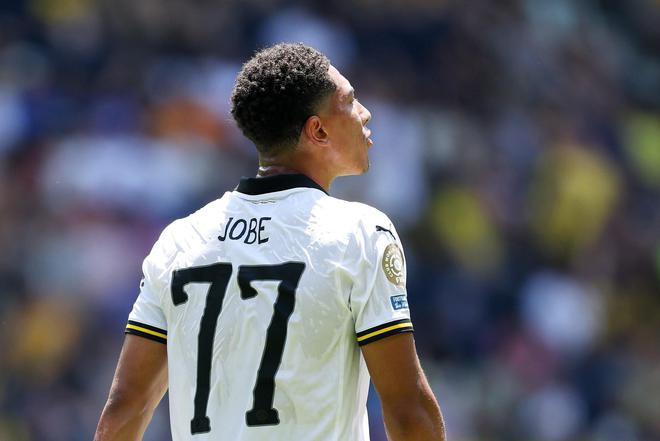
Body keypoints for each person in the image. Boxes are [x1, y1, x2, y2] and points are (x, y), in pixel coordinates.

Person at [94, 43, 445, 441]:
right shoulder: (360, 233)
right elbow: (408, 411)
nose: (365, 113)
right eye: (350, 101)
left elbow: (126, 405)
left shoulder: (179, 241)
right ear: (318, 130)